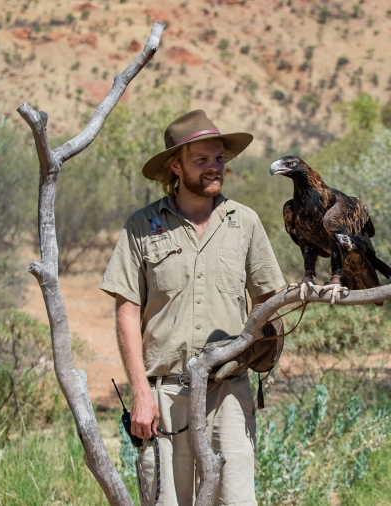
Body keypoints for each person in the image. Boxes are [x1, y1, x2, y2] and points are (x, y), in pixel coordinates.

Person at [99, 110, 286, 506]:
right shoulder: (142, 226)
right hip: (164, 397)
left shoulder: (245, 222)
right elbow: (127, 311)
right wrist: (140, 394)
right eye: (201, 160)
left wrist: (262, 345)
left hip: (228, 394)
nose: (214, 167)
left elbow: (268, 301)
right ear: (176, 167)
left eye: (218, 158)